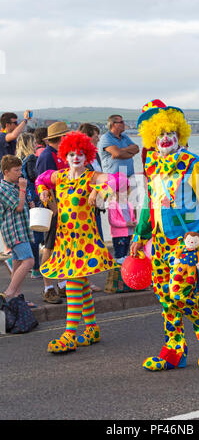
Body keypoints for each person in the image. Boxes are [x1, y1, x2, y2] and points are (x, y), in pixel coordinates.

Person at [131, 99, 199, 371]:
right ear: (152, 137)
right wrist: (140, 234)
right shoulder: (153, 167)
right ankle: (174, 350)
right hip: (161, 241)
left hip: (188, 240)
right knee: (164, 295)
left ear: (179, 134)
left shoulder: (192, 164)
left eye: (170, 133)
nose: (165, 139)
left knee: (179, 291)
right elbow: (148, 203)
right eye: (160, 134)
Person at [36, 131, 120, 353]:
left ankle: (70, 333)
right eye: (71, 154)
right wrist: (43, 192)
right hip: (66, 240)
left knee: (73, 281)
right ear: (65, 155)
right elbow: (39, 179)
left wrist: (98, 191)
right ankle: (91, 328)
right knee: (80, 284)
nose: (76, 157)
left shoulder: (91, 177)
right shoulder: (60, 176)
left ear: (87, 155)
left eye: (80, 154)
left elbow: (113, 181)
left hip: (84, 242)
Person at [36, 122, 69, 304]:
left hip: (64, 208)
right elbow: (43, 185)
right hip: (54, 208)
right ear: (61, 138)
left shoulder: (57, 154)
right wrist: (53, 209)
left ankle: (62, 284)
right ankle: (48, 288)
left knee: (60, 247)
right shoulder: (48, 156)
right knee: (48, 247)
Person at [0, 155, 35, 307]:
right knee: (29, 260)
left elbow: (26, 204)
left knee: (17, 263)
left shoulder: (14, 186)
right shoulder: (2, 188)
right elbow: (18, 207)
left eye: (20, 169)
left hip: (22, 229)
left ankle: (18, 299)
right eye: (16, 170)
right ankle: (10, 291)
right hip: (14, 231)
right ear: (6, 172)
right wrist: (22, 188)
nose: (20, 173)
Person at [0, 110, 31, 258]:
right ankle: (8, 246)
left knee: (15, 212)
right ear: (7, 125)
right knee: (6, 214)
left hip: (12, 178)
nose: (17, 125)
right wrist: (25, 120)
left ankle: (13, 246)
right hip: (4, 179)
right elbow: (13, 135)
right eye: (15, 122)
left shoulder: (11, 141)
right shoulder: (2, 136)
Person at [78, 123, 104, 292]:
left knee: (94, 242)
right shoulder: (79, 156)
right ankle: (84, 281)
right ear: (87, 137)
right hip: (83, 207)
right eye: (96, 135)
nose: (99, 138)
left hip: (96, 204)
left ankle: (86, 280)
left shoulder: (95, 155)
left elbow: (101, 176)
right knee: (86, 243)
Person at [16, 132, 44, 279]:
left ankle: (24, 264)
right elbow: (34, 176)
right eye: (33, 142)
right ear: (29, 144)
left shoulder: (18, 160)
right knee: (37, 234)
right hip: (34, 198)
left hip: (23, 197)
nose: (36, 145)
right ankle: (36, 268)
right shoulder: (32, 158)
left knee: (27, 234)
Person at [108, 177, 137, 264]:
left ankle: (124, 273)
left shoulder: (129, 204)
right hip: (119, 235)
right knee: (120, 256)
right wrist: (126, 224)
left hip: (129, 233)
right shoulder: (113, 205)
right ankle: (117, 274)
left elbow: (132, 217)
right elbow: (112, 221)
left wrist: (135, 223)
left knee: (127, 256)